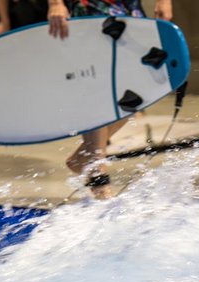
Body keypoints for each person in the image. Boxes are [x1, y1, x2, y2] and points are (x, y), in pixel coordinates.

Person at [46, 0, 174, 198]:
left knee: (135, 93)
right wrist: (55, 3)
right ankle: (98, 177)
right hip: (90, 7)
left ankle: (84, 157)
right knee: (98, 87)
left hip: (128, 8)